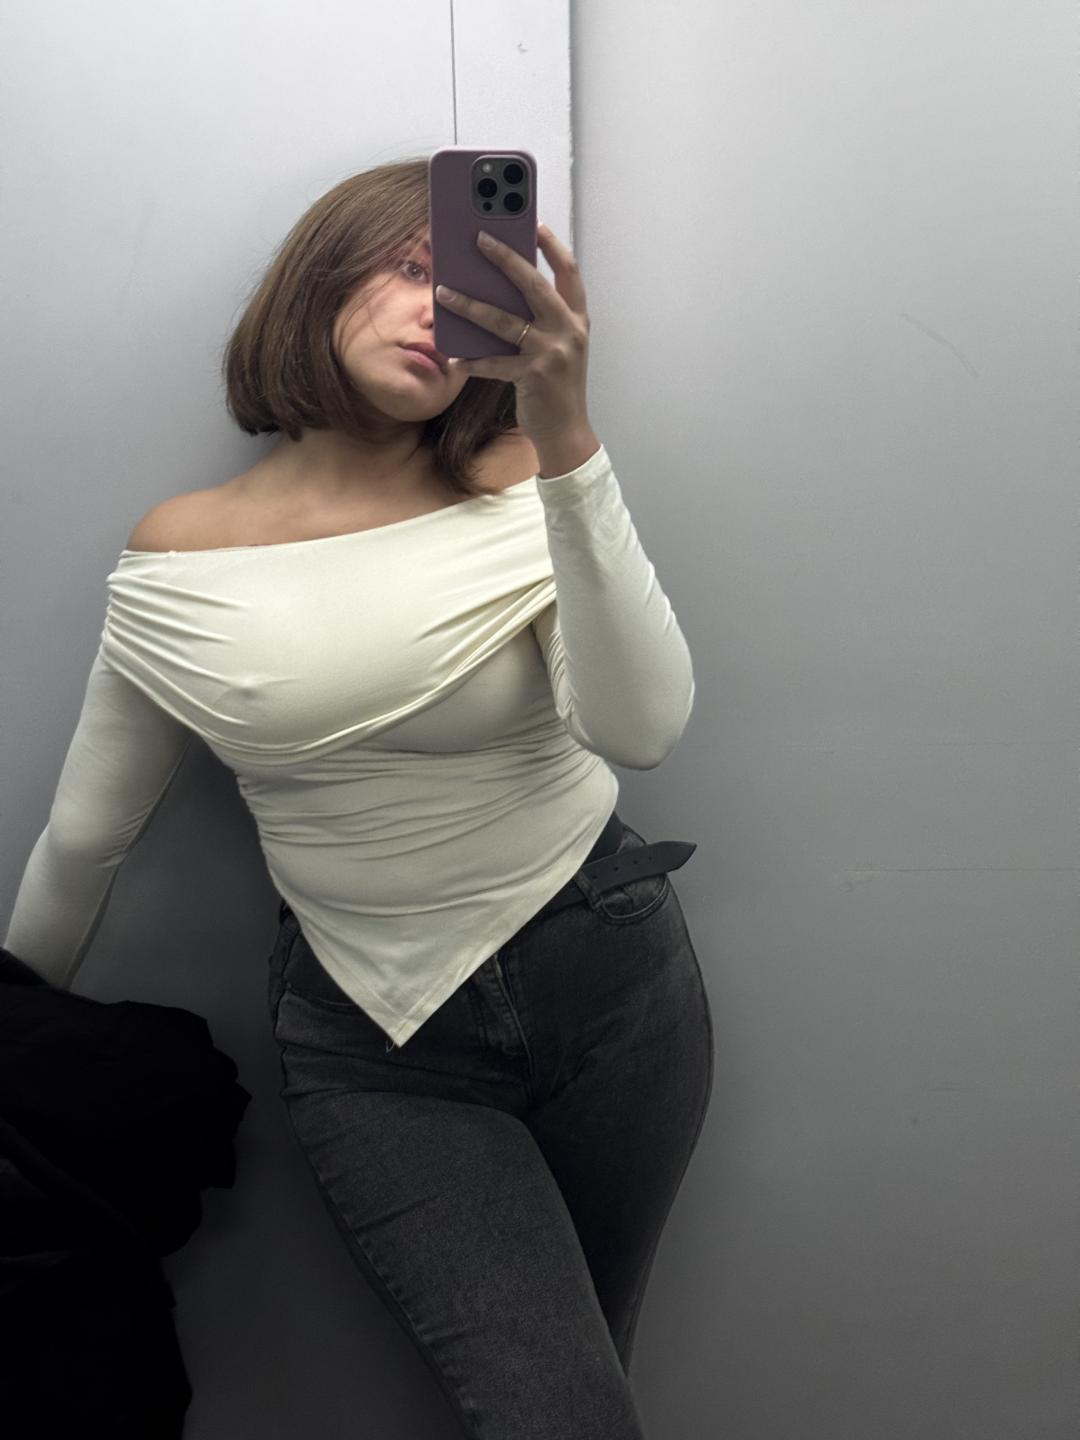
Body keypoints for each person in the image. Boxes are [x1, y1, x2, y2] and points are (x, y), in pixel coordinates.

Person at [3, 157, 714, 1439]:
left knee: (591, 1391)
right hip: (376, 1043)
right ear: (317, 282)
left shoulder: (524, 485)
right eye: (409, 268)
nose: (439, 310)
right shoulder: (181, 551)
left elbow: (642, 728)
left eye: (477, 285)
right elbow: (87, 838)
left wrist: (567, 436)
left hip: (615, 981)